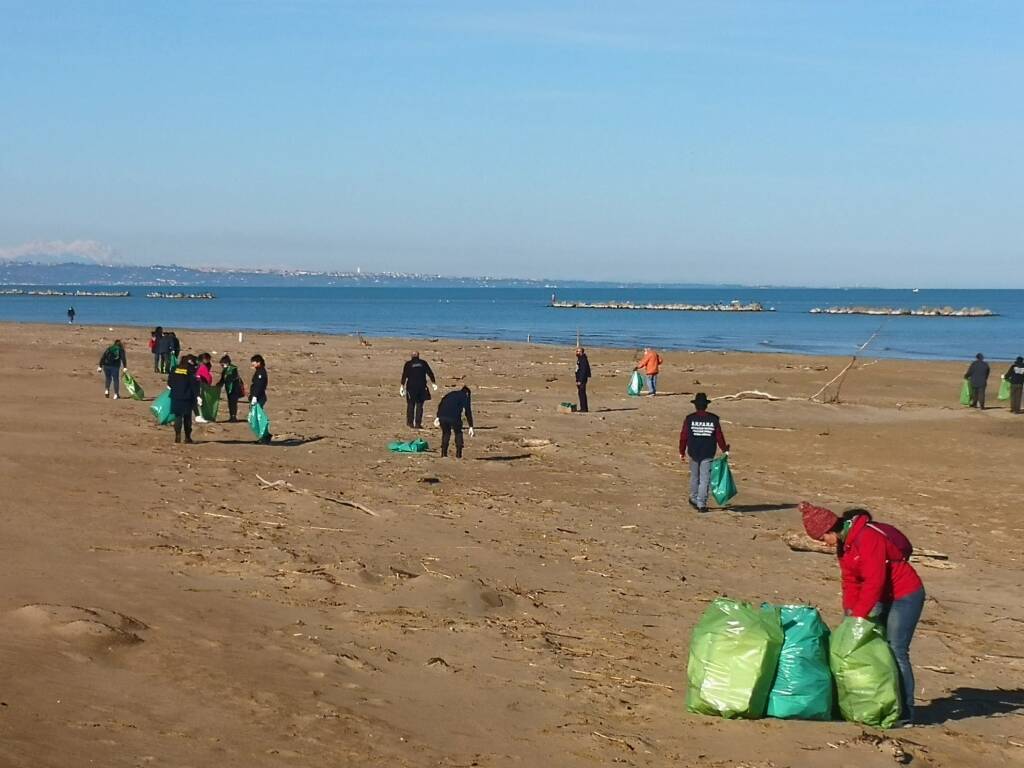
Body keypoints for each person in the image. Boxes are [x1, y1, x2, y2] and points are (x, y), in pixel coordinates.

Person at [801, 502, 924, 727]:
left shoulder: (867, 538)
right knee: (878, 648)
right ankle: (882, 703)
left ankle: (906, 712)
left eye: (823, 539)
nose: (824, 544)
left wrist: (859, 615)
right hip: (883, 597)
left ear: (831, 530)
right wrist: (849, 614)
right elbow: (850, 581)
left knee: (896, 649)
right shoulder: (844, 546)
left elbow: (874, 581)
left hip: (905, 594)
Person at [678, 393, 728, 513]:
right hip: (708, 451)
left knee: (695, 477)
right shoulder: (713, 419)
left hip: (693, 451)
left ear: (695, 406)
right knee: (705, 478)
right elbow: (719, 436)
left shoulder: (690, 418)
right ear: (706, 406)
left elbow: (683, 436)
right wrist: (724, 449)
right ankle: (701, 503)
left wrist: (682, 451)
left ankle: (695, 498)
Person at [167, 354, 200, 444]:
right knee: (187, 418)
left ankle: (177, 436)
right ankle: (187, 437)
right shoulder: (191, 370)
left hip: (175, 396)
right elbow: (194, 384)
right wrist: (198, 395)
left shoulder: (174, 368)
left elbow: (169, 383)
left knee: (177, 416)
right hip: (187, 397)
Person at [400, 352, 438, 428]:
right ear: (418, 356)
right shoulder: (423, 363)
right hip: (421, 387)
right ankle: (418, 424)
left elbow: (404, 375)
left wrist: (402, 386)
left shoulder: (408, 364)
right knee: (419, 405)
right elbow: (430, 373)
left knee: (411, 404)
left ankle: (410, 423)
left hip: (411, 387)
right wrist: (433, 383)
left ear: (411, 356)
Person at [435, 385, 474, 458]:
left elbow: (441, 403)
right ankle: (458, 454)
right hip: (454, 417)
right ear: (467, 393)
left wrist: (438, 416)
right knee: (458, 433)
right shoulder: (465, 396)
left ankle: (443, 453)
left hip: (443, 416)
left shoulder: (451, 394)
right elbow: (467, 411)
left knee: (446, 433)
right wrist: (471, 426)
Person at [250, 354, 271, 444]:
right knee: (255, 418)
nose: (252, 364)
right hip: (257, 397)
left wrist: (255, 396)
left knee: (259, 418)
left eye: (254, 362)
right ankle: (263, 436)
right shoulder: (259, 371)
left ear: (259, 362)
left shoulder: (261, 372)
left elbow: (259, 386)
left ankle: (264, 436)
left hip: (259, 397)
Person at [217, 355, 244, 422]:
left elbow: (231, 377)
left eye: (223, 364)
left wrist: (225, 380)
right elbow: (222, 380)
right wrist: (218, 385)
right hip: (228, 389)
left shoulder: (233, 369)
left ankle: (234, 417)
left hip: (234, 388)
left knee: (233, 403)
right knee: (230, 403)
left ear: (227, 363)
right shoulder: (224, 371)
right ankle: (231, 416)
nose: (222, 366)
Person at [194, 353, 214, 423]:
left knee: (198, 400)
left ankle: (199, 416)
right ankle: (199, 416)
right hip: (200, 384)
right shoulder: (202, 366)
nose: (209, 360)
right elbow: (206, 376)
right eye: (207, 359)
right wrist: (208, 383)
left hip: (199, 383)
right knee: (200, 400)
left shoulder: (201, 365)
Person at [575, 347, 591, 413]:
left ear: (582, 352)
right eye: (577, 351)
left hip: (582, 379)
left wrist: (580, 380)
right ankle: (583, 407)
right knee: (580, 393)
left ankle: (584, 408)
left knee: (582, 393)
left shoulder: (583, 359)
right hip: (579, 378)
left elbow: (583, 371)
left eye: (579, 351)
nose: (577, 353)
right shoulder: (580, 359)